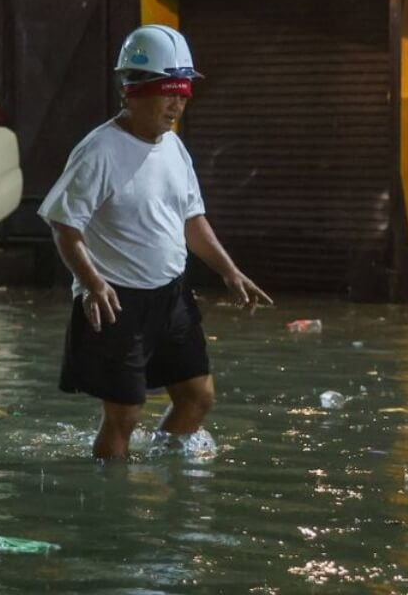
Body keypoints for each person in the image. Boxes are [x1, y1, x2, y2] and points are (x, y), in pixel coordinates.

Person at [38, 24, 272, 460]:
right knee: (124, 416)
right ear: (132, 90)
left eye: (184, 93)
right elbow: (64, 226)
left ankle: (163, 469)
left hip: (171, 296)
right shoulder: (99, 151)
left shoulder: (174, 148)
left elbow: (191, 218)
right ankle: (115, 507)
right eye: (169, 92)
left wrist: (229, 270)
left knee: (198, 396)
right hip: (116, 300)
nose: (177, 104)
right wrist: (93, 282)